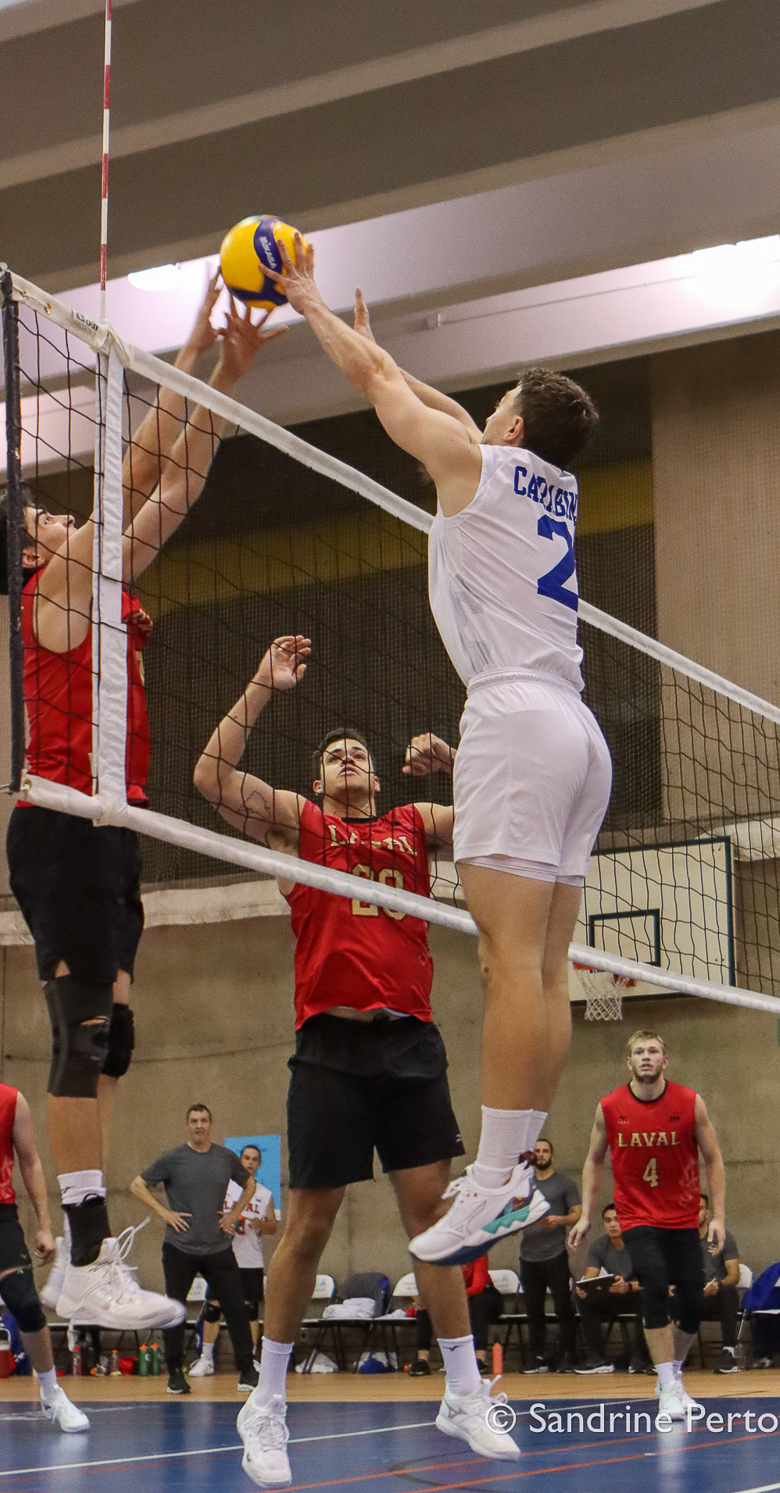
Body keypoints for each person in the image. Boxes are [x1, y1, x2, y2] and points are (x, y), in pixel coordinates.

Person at [270, 242, 611, 1266]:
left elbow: (380, 386)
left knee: (508, 963)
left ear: (512, 428)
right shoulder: (544, 485)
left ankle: (499, 1178)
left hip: (513, 717)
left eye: (496, 405)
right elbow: (442, 406)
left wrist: (310, 304)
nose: (479, 414)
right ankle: (512, 1170)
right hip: (578, 732)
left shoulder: (478, 466)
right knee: (544, 967)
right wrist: (387, 355)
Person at [6, 281, 276, 1332]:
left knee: (111, 1038)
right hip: (63, 820)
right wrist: (190, 347)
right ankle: (79, 1260)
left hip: (112, 829)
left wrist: (223, 374)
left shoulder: (105, 582)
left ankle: (89, 1253)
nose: (63, 513)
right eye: (46, 514)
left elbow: (180, 482)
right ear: (31, 548)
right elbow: (129, 478)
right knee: (80, 1032)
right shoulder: (54, 589)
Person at [192, 636, 517, 1486]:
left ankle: (464, 1393)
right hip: (330, 1049)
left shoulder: (416, 825)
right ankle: (267, 1404)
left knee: (434, 1225)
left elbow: (506, 815)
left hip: (410, 1042)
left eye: (359, 753)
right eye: (333, 753)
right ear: (319, 780)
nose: (347, 757)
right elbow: (210, 778)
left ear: (378, 777)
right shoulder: (300, 826)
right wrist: (262, 683)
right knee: (309, 1226)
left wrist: (460, 762)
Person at [569, 1030, 726, 1421]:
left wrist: (719, 1216)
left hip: (683, 1216)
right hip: (637, 1215)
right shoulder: (609, 1107)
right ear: (628, 1062)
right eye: (638, 1052)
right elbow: (593, 1160)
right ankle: (668, 1386)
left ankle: (672, 1375)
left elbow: (713, 1159)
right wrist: (586, 1214)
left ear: (665, 1060)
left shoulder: (690, 1103)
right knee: (654, 1284)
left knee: (692, 1300)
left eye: (653, 1051)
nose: (646, 1057)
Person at [131, 1103, 259, 1394]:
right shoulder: (173, 1158)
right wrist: (164, 1213)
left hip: (218, 1247)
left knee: (236, 1308)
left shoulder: (225, 1158)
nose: (199, 1125)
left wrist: (234, 1214)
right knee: (175, 1310)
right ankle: (176, 1373)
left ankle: (247, 1371)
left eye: (203, 1120)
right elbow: (137, 1185)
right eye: (194, 1121)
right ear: (187, 1125)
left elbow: (249, 1185)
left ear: (210, 1124)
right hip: (180, 1248)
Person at [0, 1078, 89, 1432]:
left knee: (25, 1302)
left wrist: (44, 1225)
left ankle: (52, 1392)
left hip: (1, 1217)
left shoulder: (11, 1101)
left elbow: (31, 1162)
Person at [193, 1142, 277, 1373]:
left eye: (254, 1159)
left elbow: (272, 1226)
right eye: (246, 1158)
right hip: (223, 1256)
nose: (250, 1163)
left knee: (250, 1310)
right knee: (214, 1307)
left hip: (250, 1259)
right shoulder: (225, 1188)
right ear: (240, 1161)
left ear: (258, 1164)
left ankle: (249, 1359)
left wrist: (261, 1223)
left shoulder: (264, 1194)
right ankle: (206, 1358)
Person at [518, 1138, 582, 1372]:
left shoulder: (564, 1183)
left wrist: (560, 1220)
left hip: (555, 1255)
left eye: (545, 1151)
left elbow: (577, 1213)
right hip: (528, 1257)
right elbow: (511, 1213)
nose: (541, 1154)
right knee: (533, 1310)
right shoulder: (523, 1185)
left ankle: (567, 1354)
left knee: (563, 1307)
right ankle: (536, 1356)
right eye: (537, 1151)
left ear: (552, 1156)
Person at [572, 1202, 645, 1373]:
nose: (612, 1224)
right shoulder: (598, 1246)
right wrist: (584, 1288)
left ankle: (640, 1357)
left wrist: (628, 1286)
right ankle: (598, 1359)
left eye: (617, 1220)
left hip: (636, 1292)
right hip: (613, 1293)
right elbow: (591, 1276)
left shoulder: (640, 1245)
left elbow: (652, 1281)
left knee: (649, 1298)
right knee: (583, 1299)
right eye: (608, 1220)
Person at [411, 1255, 505, 1376]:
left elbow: (477, 1287)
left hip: (484, 1294)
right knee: (426, 1306)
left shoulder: (477, 1252)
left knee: (479, 1302)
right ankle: (422, 1360)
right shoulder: (440, 1256)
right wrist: (426, 1299)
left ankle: (480, 1358)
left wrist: (450, 1298)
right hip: (454, 1297)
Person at [697, 1192, 742, 1373]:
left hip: (714, 1298)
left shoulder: (722, 1238)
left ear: (707, 1213)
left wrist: (717, 1286)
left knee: (728, 1290)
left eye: (699, 1209)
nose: (694, 1214)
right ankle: (663, 1358)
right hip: (689, 1297)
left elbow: (734, 1275)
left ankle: (729, 1352)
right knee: (658, 1293)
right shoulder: (679, 1242)